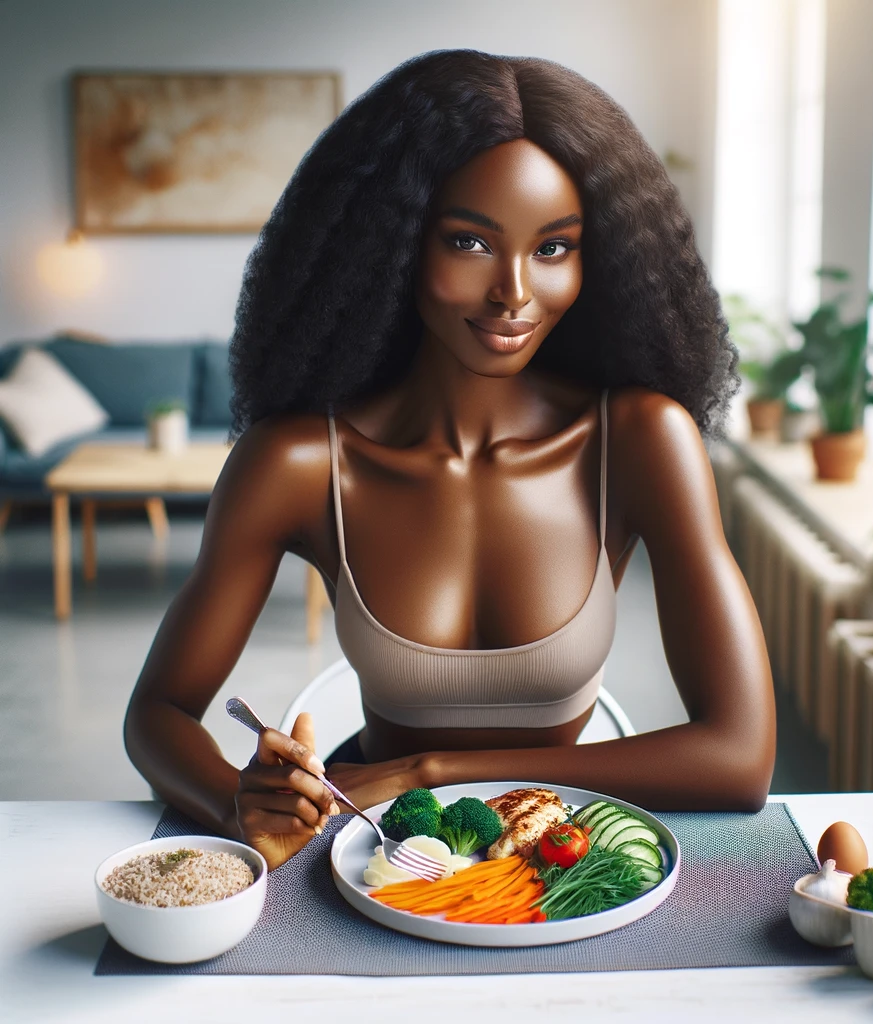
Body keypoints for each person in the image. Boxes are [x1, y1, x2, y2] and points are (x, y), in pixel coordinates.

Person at [125, 49, 775, 870]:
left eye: (553, 248)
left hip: (562, 860)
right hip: (371, 858)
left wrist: (431, 771)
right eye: (470, 241)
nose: (513, 292)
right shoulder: (298, 462)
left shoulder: (641, 442)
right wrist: (237, 799)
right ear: (391, 245)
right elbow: (157, 713)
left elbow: (740, 758)